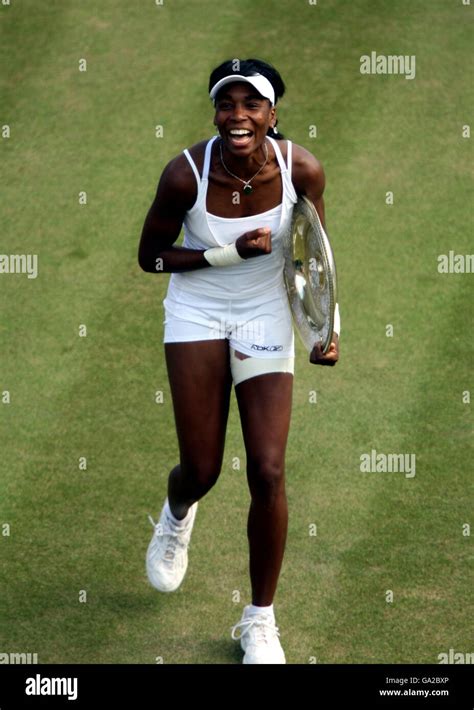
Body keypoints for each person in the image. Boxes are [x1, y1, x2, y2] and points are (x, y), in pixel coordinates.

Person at [138, 58, 340, 664]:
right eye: (227, 104)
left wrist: (326, 329)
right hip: (197, 313)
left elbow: (314, 256)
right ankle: (177, 515)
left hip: (265, 315)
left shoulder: (301, 168)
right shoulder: (184, 175)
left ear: (272, 115)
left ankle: (259, 621)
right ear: (216, 113)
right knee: (200, 470)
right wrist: (226, 255)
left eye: (251, 105)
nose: (238, 116)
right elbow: (149, 258)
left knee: (269, 471)